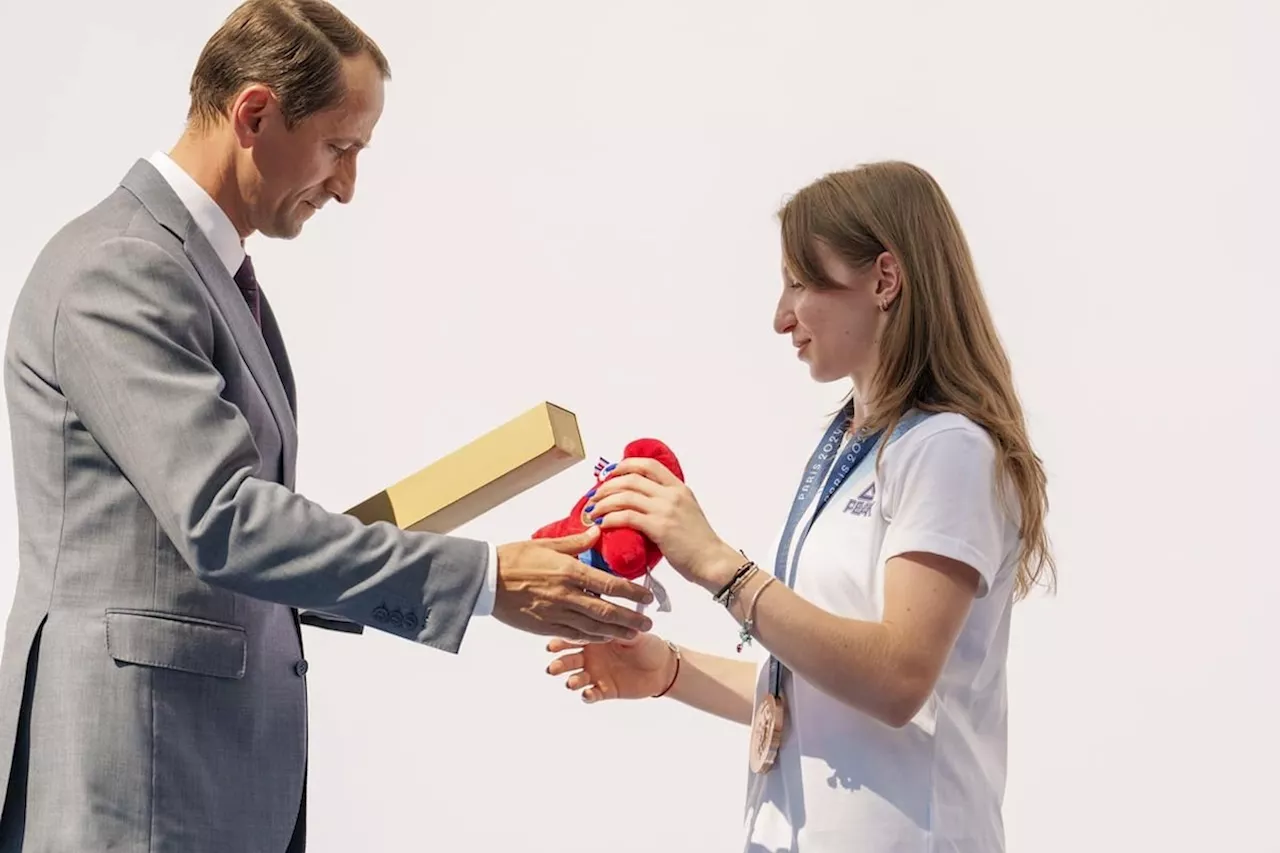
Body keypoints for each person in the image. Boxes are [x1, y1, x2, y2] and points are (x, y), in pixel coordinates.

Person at [0, 1, 655, 850]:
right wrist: (487, 579)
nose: (347, 185)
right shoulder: (122, 266)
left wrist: (464, 560)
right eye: (341, 147)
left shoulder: (207, 272)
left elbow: (222, 534)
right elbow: (224, 520)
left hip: (201, 771)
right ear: (255, 113)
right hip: (136, 775)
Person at [545, 160, 1055, 852]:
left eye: (798, 281)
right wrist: (667, 670)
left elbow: (897, 678)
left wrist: (720, 565)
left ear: (884, 279)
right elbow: (818, 693)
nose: (781, 316)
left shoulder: (948, 449)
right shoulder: (852, 445)